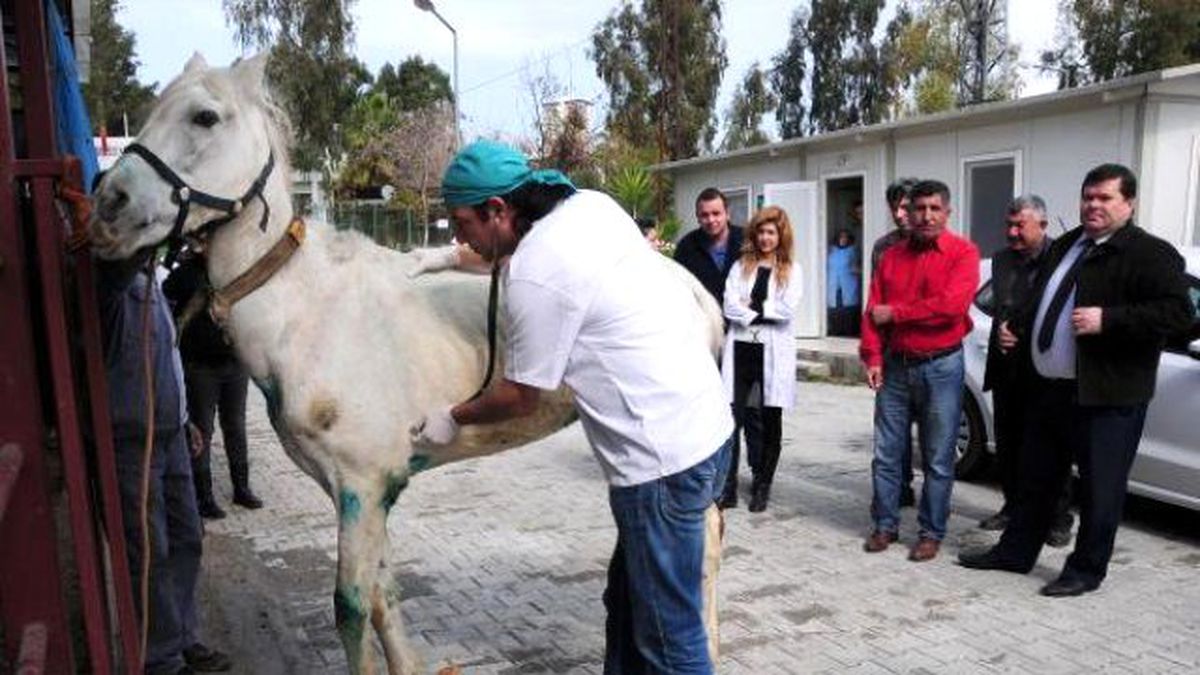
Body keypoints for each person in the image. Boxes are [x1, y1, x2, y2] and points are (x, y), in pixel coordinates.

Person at [410, 140, 734, 673]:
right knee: (629, 607)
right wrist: (447, 258)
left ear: (499, 210)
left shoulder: (535, 271)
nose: (458, 234)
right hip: (706, 430)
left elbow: (520, 396)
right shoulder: (590, 205)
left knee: (669, 640)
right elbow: (515, 255)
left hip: (658, 465)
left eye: (461, 222)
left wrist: (453, 416)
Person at [958, 164, 1191, 596]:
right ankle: (1015, 552)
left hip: (1108, 396)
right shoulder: (1068, 243)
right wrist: (1017, 326)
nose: (1093, 205)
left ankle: (1086, 570)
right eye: (1088, 197)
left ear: (1129, 203)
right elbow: (1045, 298)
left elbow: (1181, 315)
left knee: (1101, 489)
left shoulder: (1149, 254)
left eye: (1105, 198)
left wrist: (1111, 320)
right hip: (1052, 391)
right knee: (1036, 479)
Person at [96, 251, 232, 674]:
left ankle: (182, 638)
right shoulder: (110, 285)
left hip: (172, 433)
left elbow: (166, 360)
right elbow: (116, 270)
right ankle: (161, 660)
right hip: (134, 440)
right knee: (149, 552)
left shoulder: (154, 279)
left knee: (188, 538)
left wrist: (187, 418)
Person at [860, 180, 980, 562]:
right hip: (895, 365)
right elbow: (871, 311)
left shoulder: (963, 253)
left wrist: (897, 313)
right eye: (919, 209)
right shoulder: (891, 256)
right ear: (907, 213)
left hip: (942, 366)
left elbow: (951, 305)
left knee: (939, 456)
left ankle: (931, 532)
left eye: (934, 208)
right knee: (886, 452)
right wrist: (873, 357)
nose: (926, 215)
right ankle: (885, 525)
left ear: (947, 212)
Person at [977, 195, 1073, 547]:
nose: (1012, 232)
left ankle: (1058, 518)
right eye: (1009, 225)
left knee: (1051, 448)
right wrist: (1001, 327)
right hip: (1007, 370)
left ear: (1043, 226)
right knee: (1009, 445)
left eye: (1021, 226)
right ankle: (1013, 507)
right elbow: (999, 304)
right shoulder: (1001, 261)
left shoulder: (1061, 259)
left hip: (1045, 371)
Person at [163, 246, 262, 520]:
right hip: (200, 367)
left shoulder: (233, 270)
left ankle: (242, 488)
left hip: (234, 363)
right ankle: (204, 497)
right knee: (202, 432)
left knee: (236, 427)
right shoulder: (184, 275)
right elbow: (168, 309)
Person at [721, 207, 804, 513]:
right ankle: (727, 487)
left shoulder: (792, 270)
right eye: (761, 231)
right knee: (731, 421)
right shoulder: (741, 265)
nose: (766, 238)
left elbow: (787, 311)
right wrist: (762, 311)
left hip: (772, 352)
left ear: (781, 235)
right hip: (742, 351)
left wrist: (752, 308)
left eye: (772, 232)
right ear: (754, 234)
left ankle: (762, 485)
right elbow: (730, 305)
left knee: (770, 421)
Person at [674, 188, 751, 509]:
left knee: (742, 414)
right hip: (703, 344)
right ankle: (717, 484)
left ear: (727, 213)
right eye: (705, 214)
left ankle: (743, 482)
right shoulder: (687, 247)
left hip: (745, 338)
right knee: (708, 412)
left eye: (716, 213)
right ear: (698, 216)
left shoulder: (747, 242)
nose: (711, 220)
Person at [870, 179, 919, 508]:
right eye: (895, 207)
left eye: (906, 206)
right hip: (891, 351)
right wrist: (873, 353)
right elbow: (875, 303)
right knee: (891, 426)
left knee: (931, 431)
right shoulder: (883, 247)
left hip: (931, 351)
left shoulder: (941, 244)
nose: (900, 214)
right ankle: (895, 488)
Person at [826, 228, 860, 337]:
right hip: (833, 285)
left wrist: (856, 269)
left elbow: (856, 266)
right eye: (841, 237)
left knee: (848, 310)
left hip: (847, 284)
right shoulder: (831, 250)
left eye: (846, 237)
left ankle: (849, 333)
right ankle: (835, 332)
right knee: (834, 310)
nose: (843, 239)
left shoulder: (852, 250)